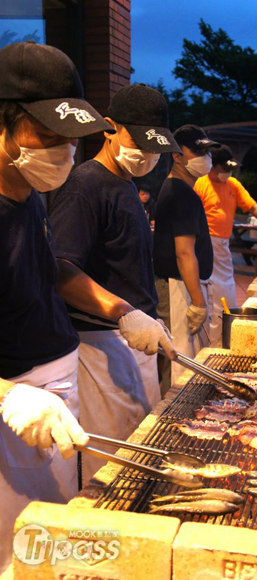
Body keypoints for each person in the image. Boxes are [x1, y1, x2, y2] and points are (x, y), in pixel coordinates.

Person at [0, 41, 115, 573]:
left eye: (70, 140)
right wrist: (10, 396)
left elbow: (52, 270)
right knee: (15, 553)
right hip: (15, 411)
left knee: (52, 539)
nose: (63, 153)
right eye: (47, 137)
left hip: (53, 391)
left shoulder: (30, 191)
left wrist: (123, 313)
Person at [49, 84, 178, 484]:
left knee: (138, 453)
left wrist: (149, 316)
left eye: (155, 146)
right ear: (109, 128)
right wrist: (126, 313)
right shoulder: (84, 184)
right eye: (137, 140)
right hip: (101, 347)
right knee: (113, 469)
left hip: (135, 339)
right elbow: (60, 269)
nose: (147, 154)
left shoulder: (124, 185)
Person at [194, 144, 257, 346]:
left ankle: (225, 339)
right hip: (204, 244)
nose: (227, 173)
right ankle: (211, 344)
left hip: (222, 244)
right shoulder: (200, 184)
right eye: (224, 169)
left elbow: (254, 208)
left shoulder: (233, 184)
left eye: (230, 169)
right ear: (212, 166)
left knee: (227, 294)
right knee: (212, 296)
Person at [154, 125, 218, 393]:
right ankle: (170, 422)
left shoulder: (179, 189)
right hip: (176, 287)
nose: (204, 158)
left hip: (179, 286)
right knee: (178, 361)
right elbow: (184, 252)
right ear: (177, 155)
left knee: (178, 358)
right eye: (197, 151)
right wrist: (199, 302)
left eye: (206, 151)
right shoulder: (180, 192)